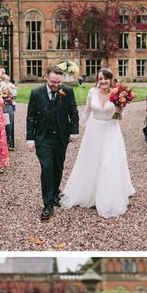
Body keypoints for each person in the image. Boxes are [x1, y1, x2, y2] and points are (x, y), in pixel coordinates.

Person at [60, 68, 134, 218]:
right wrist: (76, 129)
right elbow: (87, 111)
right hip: (93, 130)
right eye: (100, 79)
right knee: (91, 160)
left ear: (111, 79)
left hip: (110, 130)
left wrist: (120, 109)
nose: (103, 81)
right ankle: (88, 192)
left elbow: (120, 117)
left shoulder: (118, 94)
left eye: (105, 78)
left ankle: (107, 195)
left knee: (108, 162)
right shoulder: (92, 92)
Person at [27, 65, 80, 221]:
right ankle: (48, 204)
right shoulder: (36, 93)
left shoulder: (67, 91)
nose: (57, 86)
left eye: (59, 82)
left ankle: (55, 192)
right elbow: (30, 116)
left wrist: (74, 131)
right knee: (47, 167)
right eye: (53, 82)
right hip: (43, 138)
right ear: (46, 77)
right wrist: (30, 138)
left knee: (58, 166)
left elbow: (73, 112)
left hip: (61, 137)